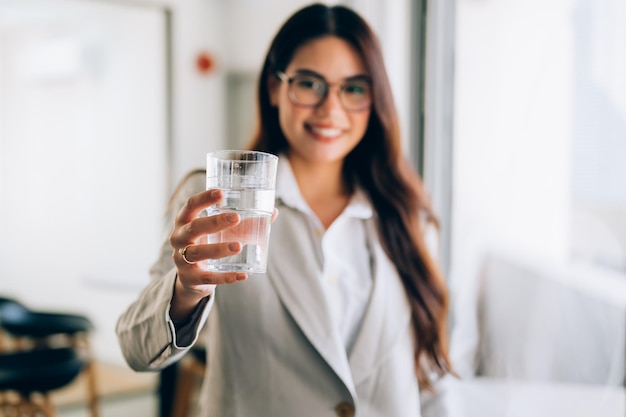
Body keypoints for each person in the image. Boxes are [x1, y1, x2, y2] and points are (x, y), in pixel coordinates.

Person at [116, 3, 454, 416]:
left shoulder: (407, 216)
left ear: (375, 98)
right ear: (275, 88)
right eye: (310, 84)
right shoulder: (218, 198)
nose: (330, 109)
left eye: (353, 88)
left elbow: (427, 376)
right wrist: (186, 290)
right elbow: (135, 350)